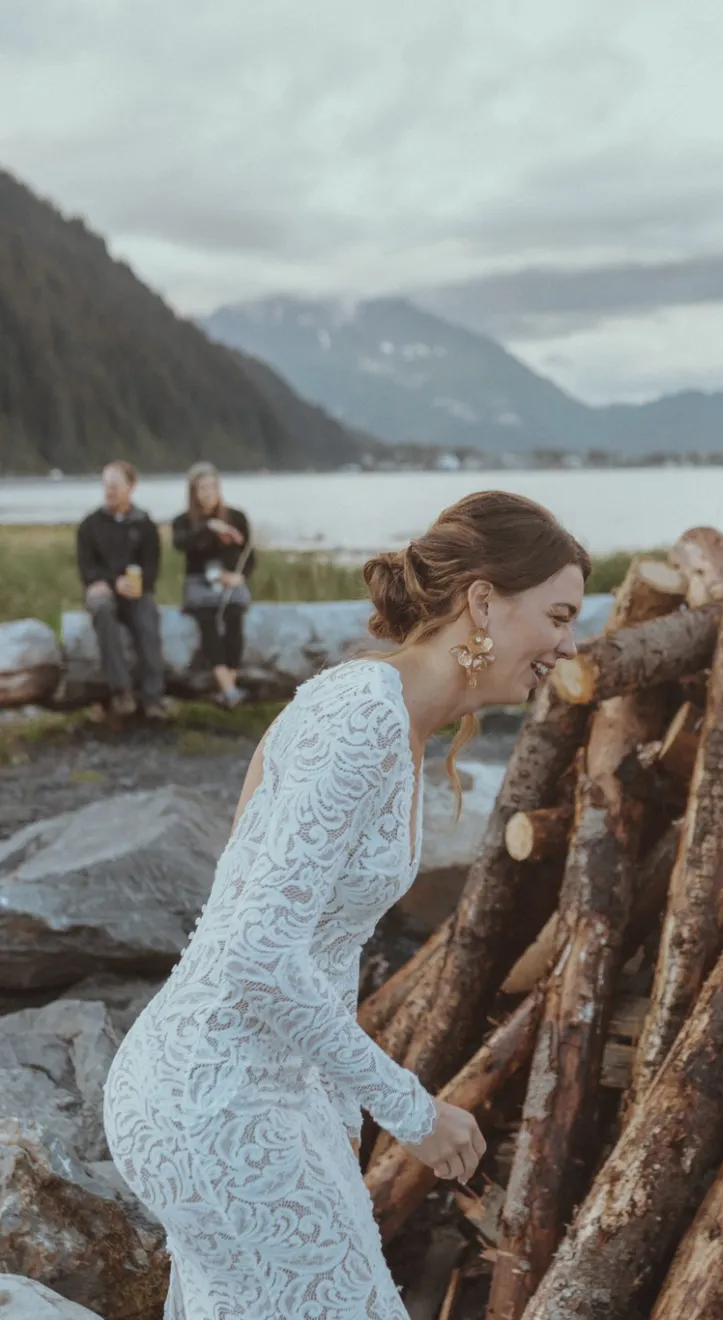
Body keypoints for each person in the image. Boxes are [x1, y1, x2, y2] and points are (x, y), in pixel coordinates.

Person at [103, 490, 590, 1318]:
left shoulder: (400, 721)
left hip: (249, 1093)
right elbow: (253, 950)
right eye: (558, 614)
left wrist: (332, 1127)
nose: (569, 644)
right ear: (483, 601)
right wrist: (408, 1109)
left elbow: (314, 949)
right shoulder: (360, 712)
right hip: (215, 1097)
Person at [76, 460, 167, 720]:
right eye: (105, 484)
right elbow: (86, 567)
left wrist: (139, 587)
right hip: (104, 591)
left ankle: (153, 697)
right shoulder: (90, 524)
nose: (109, 490)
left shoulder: (144, 524)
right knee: (102, 608)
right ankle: (121, 691)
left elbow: (152, 567)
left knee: (148, 618)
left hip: (136, 593)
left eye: (115, 484)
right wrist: (112, 582)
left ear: (131, 486)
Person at [173, 462, 256, 708]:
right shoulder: (184, 521)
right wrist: (209, 528)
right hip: (198, 581)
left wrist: (239, 577)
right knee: (206, 617)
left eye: (212, 487)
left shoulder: (237, 517)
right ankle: (229, 688)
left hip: (229, 579)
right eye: (202, 489)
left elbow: (249, 556)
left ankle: (228, 686)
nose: (208, 493)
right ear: (193, 492)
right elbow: (181, 545)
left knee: (234, 615)